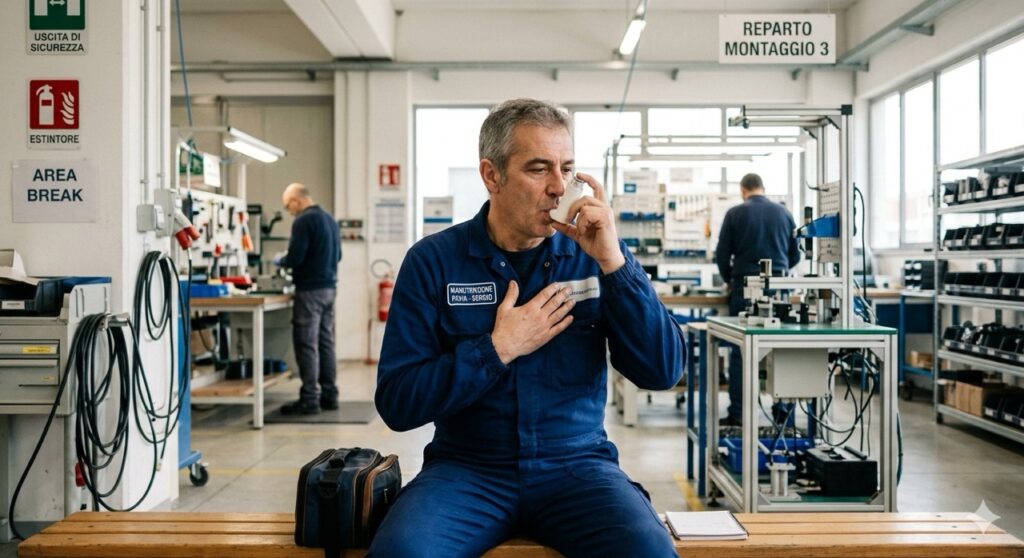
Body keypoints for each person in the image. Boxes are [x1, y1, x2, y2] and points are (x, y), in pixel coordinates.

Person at [370, 99, 685, 558]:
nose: (560, 187)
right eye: (539, 169)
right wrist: (495, 349)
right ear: (491, 175)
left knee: (649, 552)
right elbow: (398, 402)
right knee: (401, 554)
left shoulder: (594, 254)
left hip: (578, 468)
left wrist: (616, 264)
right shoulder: (434, 261)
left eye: (568, 168)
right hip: (468, 470)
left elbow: (663, 372)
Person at [714, 173, 801, 426]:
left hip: (744, 287)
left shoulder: (735, 214)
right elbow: (795, 254)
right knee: (782, 350)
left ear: (743, 190)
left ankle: (740, 414)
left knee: (741, 352)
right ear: (763, 188)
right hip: (780, 287)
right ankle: (784, 414)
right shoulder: (784, 214)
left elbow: (722, 254)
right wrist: (780, 270)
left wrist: (729, 278)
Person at [275, 183, 342, 415]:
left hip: (310, 292)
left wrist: (280, 261)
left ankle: (310, 399)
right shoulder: (329, 220)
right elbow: (339, 255)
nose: (289, 211)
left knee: (306, 344)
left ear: (297, 200)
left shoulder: (303, 220)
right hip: (329, 289)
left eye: (288, 206)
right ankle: (330, 395)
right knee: (325, 342)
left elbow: (295, 257)